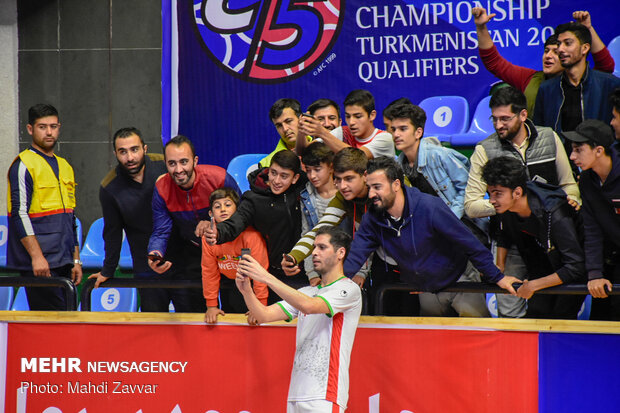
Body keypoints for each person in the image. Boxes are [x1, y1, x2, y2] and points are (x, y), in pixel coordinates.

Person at [343, 157, 520, 315]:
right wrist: (335, 284)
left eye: (377, 187)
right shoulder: (372, 218)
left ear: (396, 184)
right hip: (426, 289)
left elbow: (469, 243)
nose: (371, 194)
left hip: (460, 281)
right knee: (433, 345)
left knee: (478, 337)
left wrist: (497, 277)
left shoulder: (429, 207)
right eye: (369, 187)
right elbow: (356, 254)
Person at [464, 86, 580, 317]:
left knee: (556, 305)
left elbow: (568, 184)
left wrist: (571, 199)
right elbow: (471, 206)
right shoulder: (484, 148)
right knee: (510, 308)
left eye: (505, 118)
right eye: (494, 119)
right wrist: (509, 204)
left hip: (550, 235)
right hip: (510, 237)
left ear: (523, 115)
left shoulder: (549, 137)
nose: (498, 126)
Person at [236, 226, 361, 413]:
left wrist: (265, 276)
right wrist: (246, 289)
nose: (314, 253)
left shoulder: (348, 289)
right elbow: (263, 315)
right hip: (296, 393)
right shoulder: (306, 292)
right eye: (313, 248)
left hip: (326, 393)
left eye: (322, 247)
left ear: (340, 253)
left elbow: (310, 307)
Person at [385, 102, 489, 316]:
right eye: (393, 129)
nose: (396, 134)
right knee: (433, 317)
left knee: (474, 317)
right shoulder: (398, 167)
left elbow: (469, 190)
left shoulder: (439, 155)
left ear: (418, 132)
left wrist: (446, 220)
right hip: (432, 246)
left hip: (461, 236)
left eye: (403, 128)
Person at [482, 156, 586, 319]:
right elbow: (503, 234)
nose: (492, 201)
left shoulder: (555, 212)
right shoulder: (505, 207)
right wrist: (499, 265)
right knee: (536, 313)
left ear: (517, 192)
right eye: (489, 194)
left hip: (571, 270)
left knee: (561, 317)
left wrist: (533, 285)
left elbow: (576, 266)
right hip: (541, 264)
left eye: (497, 194)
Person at [148, 135, 240, 312]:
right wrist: (155, 253)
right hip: (194, 252)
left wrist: (216, 226)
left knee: (234, 310)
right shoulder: (161, 188)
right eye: (172, 163)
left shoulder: (219, 177)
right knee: (197, 312)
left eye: (184, 162)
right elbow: (161, 230)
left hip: (229, 250)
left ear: (195, 161)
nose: (179, 169)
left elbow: (243, 216)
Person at [204, 150, 308, 302]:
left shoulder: (305, 190)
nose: (277, 180)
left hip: (308, 272)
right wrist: (218, 233)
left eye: (284, 176)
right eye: (273, 173)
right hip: (273, 274)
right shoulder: (253, 199)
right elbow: (237, 222)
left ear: (295, 178)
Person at [7, 104, 82, 310]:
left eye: (53, 126)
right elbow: (19, 214)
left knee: (68, 321)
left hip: (64, 260)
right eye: (42, 127)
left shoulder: (65, 166)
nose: (49, 132)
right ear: (30, 129)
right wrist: (37, 257)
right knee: (51, 325)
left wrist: (75, 260)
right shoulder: (23, 164)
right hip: (40, 264)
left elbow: (71, 217)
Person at [473, 8, 615, 116]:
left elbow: (606, 66)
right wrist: (481, 27)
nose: (548, 56)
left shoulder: (584, 80)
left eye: (555, 51)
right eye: (546, 51)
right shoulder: (530, 79)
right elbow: (494, 63)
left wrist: (587, 29)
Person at [88, 127, 169, 311]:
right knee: (154, 326)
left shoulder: (165, 165)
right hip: (145, 266)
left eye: (134, 149)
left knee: (192, 322)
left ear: (145, 149)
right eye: (123, 152)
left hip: (182, 261)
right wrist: (107, 270)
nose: (130, 157)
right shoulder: (109, 187)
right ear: (115, 153)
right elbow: (112, 233)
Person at [282, 148, 371, 288]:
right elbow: (319, 230)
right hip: (357, 265)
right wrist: (293, 257)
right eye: (338, 179)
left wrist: (362, 272)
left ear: (365, 175)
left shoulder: (380, 194)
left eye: (349, 179)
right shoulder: (342, 197)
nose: (343, 186)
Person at [564, 120, 620, 320]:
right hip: (609, 256)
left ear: (598, 151)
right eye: (572, 150)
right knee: (601, 316)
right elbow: (592, 229)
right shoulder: (587, 180)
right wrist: (595, 273)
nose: (572, 157)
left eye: (578, 150)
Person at [533, 22, 620, 133]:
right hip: (560, 150)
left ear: (585, 48)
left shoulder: (610, 85)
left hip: (599, 150)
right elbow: (540, 134)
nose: (561, 49)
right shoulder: (546, 89)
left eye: (568, 43)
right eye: (559, 44)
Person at [201, 188, 268, 323]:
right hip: (230, 285)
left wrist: (261, 306)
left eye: (228, 204)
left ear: (238, 210)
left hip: (254, 285)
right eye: (217, 206)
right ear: (211, 213)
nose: (223, 209)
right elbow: (209, 273)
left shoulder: (251, 236)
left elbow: (261, 273)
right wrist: (212, 305)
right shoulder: (208, 238)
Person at [297, 89, 395, 159]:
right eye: (348, 116)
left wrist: (322, 132)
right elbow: (304, 151)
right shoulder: (343, 132)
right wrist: (301, 130)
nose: (351, 122)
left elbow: (357, 158)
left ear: (372, 115)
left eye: (357, 116)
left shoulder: (385, 138)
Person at [299, 142, 338, 286]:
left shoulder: (346, 193)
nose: (312, 175)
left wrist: (361, 272)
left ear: (331, 167)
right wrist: (312, 273)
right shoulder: (306, 196)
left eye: (317, 169)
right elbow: (307, 235)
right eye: (308, 170)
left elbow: (360, 234)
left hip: (348, 266)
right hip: (320, 268)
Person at [259, 98, 309, 168]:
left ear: (301, 119)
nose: (285, 129)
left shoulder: (321, 146)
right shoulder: (267, 163)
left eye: (288, 121)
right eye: (279, 125)